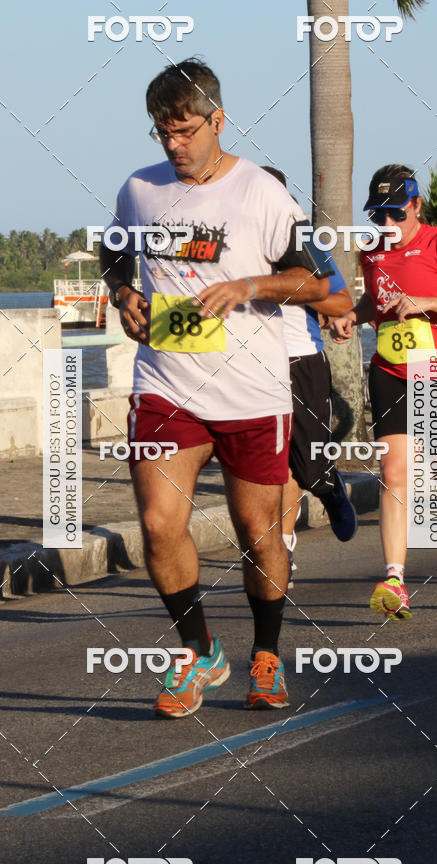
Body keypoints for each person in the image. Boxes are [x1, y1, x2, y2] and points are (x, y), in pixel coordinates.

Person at [100, 59, 330, 717]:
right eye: (162, 132)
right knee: (156, 524)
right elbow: (116, 251)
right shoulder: (139, 190)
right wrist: (124, 295)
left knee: (258, 531)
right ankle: (199, 652)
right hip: (167, 388)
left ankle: (265, 656)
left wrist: (249, 286)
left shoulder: (261, 193)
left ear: (218, 121)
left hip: (253, 396)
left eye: (185, 129)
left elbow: (318, 285)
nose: (174, 144)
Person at [330, 164, 437, 617]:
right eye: (377, 216)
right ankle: (394, 580)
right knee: (396, 473)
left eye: (395, 213)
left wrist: (429, 302)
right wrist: (354, 316)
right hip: (393, 369)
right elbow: (375, 301)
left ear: (416, 206)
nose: (386, 224)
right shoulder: (373, 252)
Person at [260, 167, 357, 587]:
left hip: (301, 362)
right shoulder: (231, 244)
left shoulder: (303, 242)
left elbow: (340, 300)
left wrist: (294, 293)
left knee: (308, 469)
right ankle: (283, 555)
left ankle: (330, 486)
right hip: (252, 367)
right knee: (275, 470)